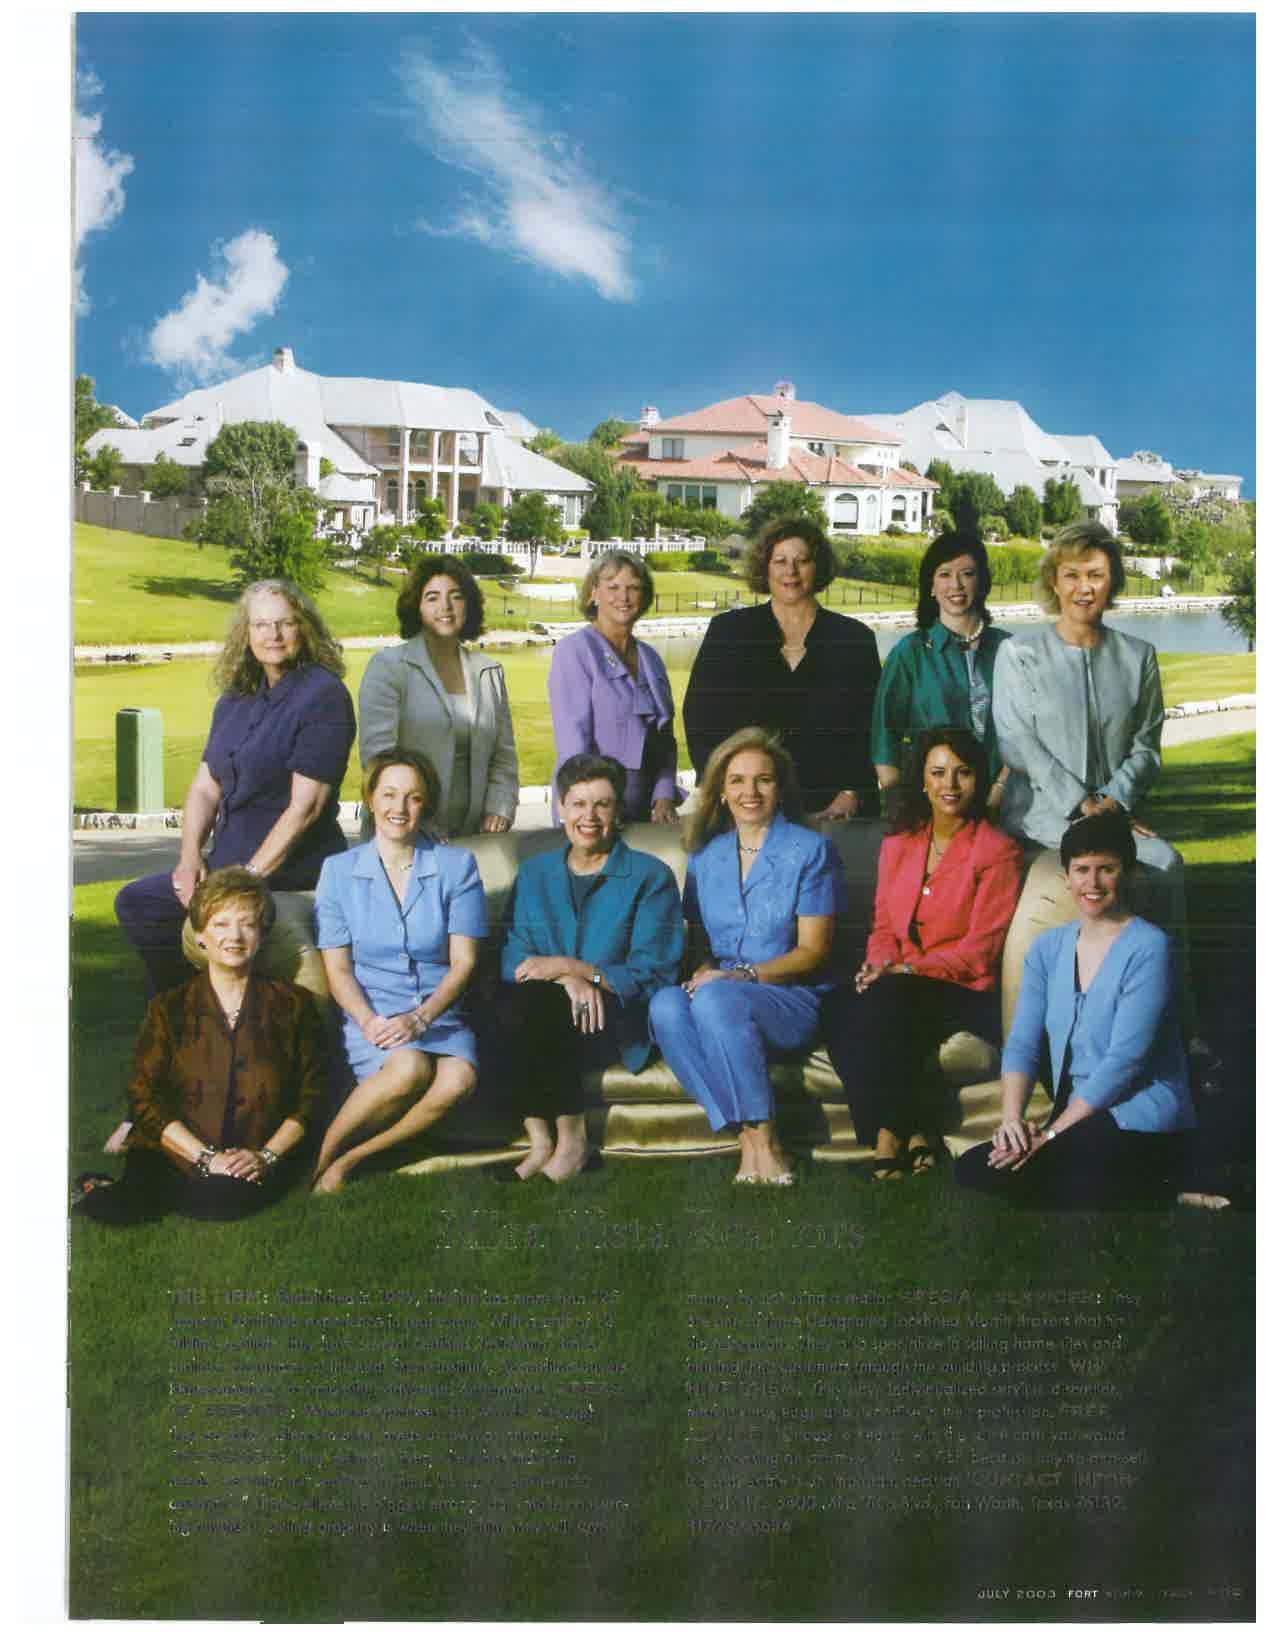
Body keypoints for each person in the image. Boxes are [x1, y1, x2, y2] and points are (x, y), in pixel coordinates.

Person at [114, 579, 356, 997]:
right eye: (261, 625)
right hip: (225, 867)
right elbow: (205, 787)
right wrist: (189, 858)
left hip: (288, 873)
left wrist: (247, 880)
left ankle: (218, 1010)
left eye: (285, 623)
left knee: (221, 920)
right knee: (140, 902)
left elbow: (306, 808)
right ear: (246, 633)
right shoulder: (236, 697)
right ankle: (189, 1009)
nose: (273, 635)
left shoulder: (324, 696)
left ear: (304, 629)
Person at [955, 812, 1196, 1209]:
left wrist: (1052, 1135)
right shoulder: (1047, 949)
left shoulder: (1150, 947)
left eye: (1107, 869)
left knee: (1041, 1174)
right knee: (974, 1167)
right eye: (1082, 870)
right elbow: (1022, 1044)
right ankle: (1156, 1188)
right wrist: (1012, 1122)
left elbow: (1126, 1060)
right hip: (1078, 1116)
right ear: (1066, 877)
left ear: (1127, 873)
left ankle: (1170, 1189)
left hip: (1141, 1115)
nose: (1092, 883)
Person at [821, 726, 1022, 1180]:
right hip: (900, 982)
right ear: (923, 782)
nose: (950, 785)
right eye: (938, 773)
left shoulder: (997, 851)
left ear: (979, 779)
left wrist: (905, 969)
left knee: (888, 1001)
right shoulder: (900, 844)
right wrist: (878, 965)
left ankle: (886, 1134)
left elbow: (980, 952)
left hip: (965, 989)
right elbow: (884, 926)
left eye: (963, 772)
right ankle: (913, 1129)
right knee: (836, 1004)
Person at [649, 728, 844, 1185]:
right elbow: (700, 944)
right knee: (665, 1005)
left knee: (717, 999)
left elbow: (813, 951)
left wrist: (741, 976)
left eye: (763, 780)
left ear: (781, 788)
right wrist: (703, 970)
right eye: (737, 780)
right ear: (720, 790)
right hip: (722, 995)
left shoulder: (811, 850)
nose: (749, 792)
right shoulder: (705, 856)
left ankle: (767, 1141)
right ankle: (747, 1140)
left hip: (790, 997)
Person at [75, 869, 325, 1224]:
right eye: (221, 924)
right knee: (122, 1211)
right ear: (201, 935)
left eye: (247, 924)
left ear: (262, 933)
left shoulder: (294, 1005)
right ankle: (98, 1188)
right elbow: (144, 1096)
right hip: (179, 1149)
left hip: (255, 1154)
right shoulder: (169, 1007)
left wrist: (266, 1157)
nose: (234, 936)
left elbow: (312, 1096)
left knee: (219, 1201)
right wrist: (207, 1158)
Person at [491, 753, 684, 1182]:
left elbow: (655, 971)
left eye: (602, 804)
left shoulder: (650, 877)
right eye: (578, 804)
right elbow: (512, 956)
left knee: (537, 1005)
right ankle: (540, 1142)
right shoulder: (535, 873)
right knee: (515, 1001)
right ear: (561, 808)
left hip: (613, 1017)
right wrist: (566, 978)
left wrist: (576, 969)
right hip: (543, 1007)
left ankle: (573, 1142)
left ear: (618, 811)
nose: (589, 817)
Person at [311, 748, 487, 1193]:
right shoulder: (338, 872)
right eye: (389, 794)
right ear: (370, 799)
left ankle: (350, 1160)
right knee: (409, 1068)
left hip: (439, 1014)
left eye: (413, 797)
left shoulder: (457, 867)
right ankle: (318, 1159)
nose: (400, 807)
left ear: (425, 804)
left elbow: (464, 962)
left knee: (458, 1080)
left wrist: (422, 1017)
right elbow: (338, 968)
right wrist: (369, 1020)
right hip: (374, 1015)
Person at [991, 522, 1177, 873]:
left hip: (1112, 814)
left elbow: (1146, 747)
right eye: (1072, 575)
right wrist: (1080, 804)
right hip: (1042, 819)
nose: (1084, 588)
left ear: (1113, 582)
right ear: (1054, 582)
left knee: (1165, 862)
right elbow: (1018, 743)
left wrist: (1112, 800)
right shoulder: (1019, 654)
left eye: (1096, 575)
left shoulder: (1138, 656)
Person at [682, 516, 880, 818]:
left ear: (818, 567)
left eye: (802, 561)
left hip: (833, 810)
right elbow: (700, 718)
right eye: (780, 561)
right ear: (765, 567)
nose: (791, 571)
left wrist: (852, 792)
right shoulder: (728, 632)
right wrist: (725, 788)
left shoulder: (854, 639)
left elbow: (873, 726)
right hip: (746, 806)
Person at [357, 553, 519, 839]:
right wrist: (418, 823)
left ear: (468, 604)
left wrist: (500, 807)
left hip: (475, 836)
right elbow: (378, 759)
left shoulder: (489, 672)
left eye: (456, 596)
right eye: (432, 597)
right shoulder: (388, 667)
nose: (445, 606)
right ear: (416, 606)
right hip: (404, 834)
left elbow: (503, 756)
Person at [871, 530, 1013, 807]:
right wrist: (904, 807)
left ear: (982, 582)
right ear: (931, 587)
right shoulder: (909, 653)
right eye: (944, 575)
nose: (956, 585)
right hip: (932, 806)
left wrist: (999, 790)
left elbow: (1029, 733)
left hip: (1005, 802)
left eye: (967, 574)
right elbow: (884, 740)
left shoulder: (1010, 649)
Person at [547, 550, 680, 824]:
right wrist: (591, 811)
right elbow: (574, 744)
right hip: (593, 812)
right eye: (613, 587)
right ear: (594, 593)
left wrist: (664, 794)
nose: (624, 597)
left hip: (648, 811)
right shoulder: (575, 651)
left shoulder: (651, 658)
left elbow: (665, 740)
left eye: (634, 588)